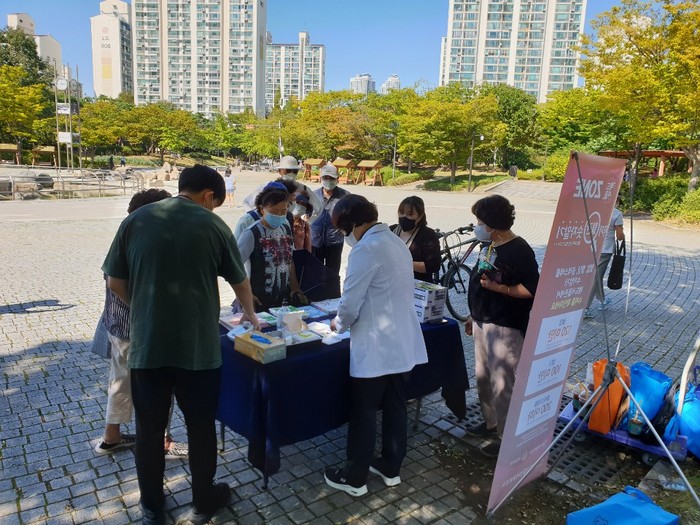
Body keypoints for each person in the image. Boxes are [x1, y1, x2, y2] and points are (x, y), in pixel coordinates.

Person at [102, 164, 259, 525]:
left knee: (149, 430)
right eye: (215, 203)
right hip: (198, 351)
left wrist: (144, 309)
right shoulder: (212, 225)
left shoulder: (136, 220)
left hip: (148, 348)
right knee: (201, 427)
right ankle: (203, 502)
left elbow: (114, 282)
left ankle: (152, 507)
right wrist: (250, 314)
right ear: (208, 196)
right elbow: (240, 281)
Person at [324, 194, 428, 497]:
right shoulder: (395, 241)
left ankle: (355, 478)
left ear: (354, 223)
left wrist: (337, 324)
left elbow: (350, 302)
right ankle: (390, 467)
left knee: (365, 412)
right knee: (395, 407)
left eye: (344, 229)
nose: (346, 236)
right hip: (401, 342)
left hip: (377, 346)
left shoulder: (365, 249)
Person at [95, 188, 187, 460]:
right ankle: (163, 441)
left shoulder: (125, 237)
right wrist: (143, 310)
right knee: (160, 385)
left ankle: (111, 436)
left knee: (120, 381)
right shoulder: (145, 242)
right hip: (138, 329)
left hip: (118, 327)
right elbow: (115, 282)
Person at [464, 194, 539, 458]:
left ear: (493, 224)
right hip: (482, 321)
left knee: (503, 383)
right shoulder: (490, 244)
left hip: (505, 325)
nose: (477, 226)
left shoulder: (519, 249)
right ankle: (491, 423)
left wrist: (499, 289)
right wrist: (473, 314)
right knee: (483, 377)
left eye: (480, 221)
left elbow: (531, 289)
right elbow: (481, 280)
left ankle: (507, 438)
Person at [237, 184, 307, 311]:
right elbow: (234, 266)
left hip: (283, 300)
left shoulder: (285, 227)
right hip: (258, 300)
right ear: (262, 209)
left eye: (283, 212)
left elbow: (289, 260)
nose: (279, 216)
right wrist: (246, 294)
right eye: (274, 212)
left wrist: (295, 287)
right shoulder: (251, 233)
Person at [241, 155, 323, 223]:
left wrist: (309, 222)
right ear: (280, 171)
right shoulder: (268, 187)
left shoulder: (304, 189)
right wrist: (259, 220)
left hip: (295, 231)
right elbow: (247, 203)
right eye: (288, 170)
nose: (291, 173)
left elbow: (319, 209)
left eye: (294, 171)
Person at [583, 199, 625, 318]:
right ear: (616, 201)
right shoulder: (616, 213)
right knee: (596, 277)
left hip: (590, 246)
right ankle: (585, 308)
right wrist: (623, 234)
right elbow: (620, 236)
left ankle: (602, 301)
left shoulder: (596, 209)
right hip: (605, 249)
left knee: (596, 276)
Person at [390, 196, 441, 283]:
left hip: (416, 284)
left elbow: (433, 266)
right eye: (401, 212)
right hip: (392, 282)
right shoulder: (391, 230)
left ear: (420, 216)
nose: (404, 217)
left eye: (410, 214)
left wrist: (405, 263)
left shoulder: (428, 235)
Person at [311, 164, 349, 274]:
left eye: (331, 178)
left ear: (337, 179)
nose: (328, 181)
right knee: (314, 273)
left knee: (332, 274)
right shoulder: (313, 195)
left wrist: (345, 229)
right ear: (320, 178)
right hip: (315, 242)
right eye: (325, 178)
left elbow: (351, 217)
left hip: (335, 242)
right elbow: (306, 215)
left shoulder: (345, 196)